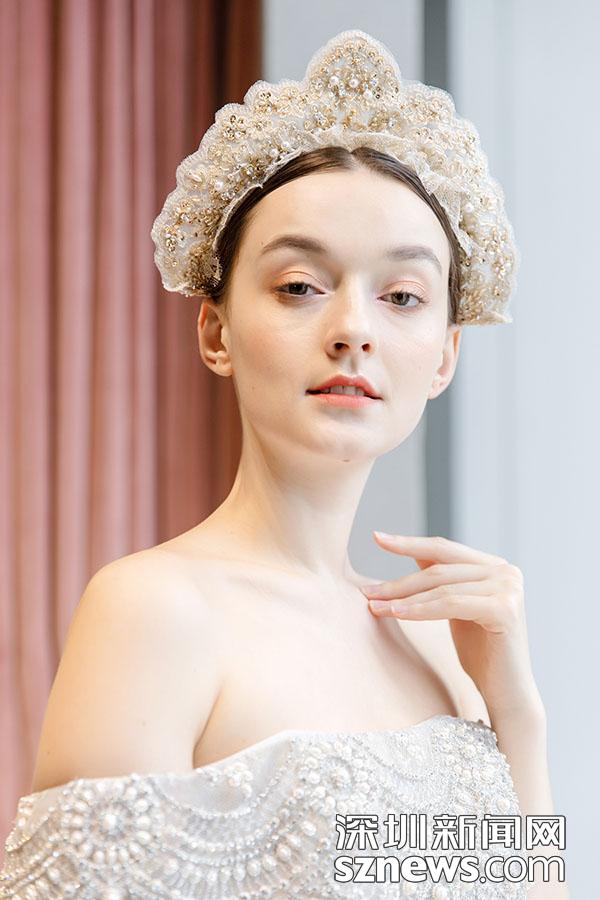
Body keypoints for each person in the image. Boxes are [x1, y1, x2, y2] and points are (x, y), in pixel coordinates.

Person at [0, 30, 568, 898]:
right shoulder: (156, 611)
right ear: (216, 331)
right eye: (300, 285)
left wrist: (518, 717)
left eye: (403, 295)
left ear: (445, 356)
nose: (354, 329)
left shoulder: (446, 645)